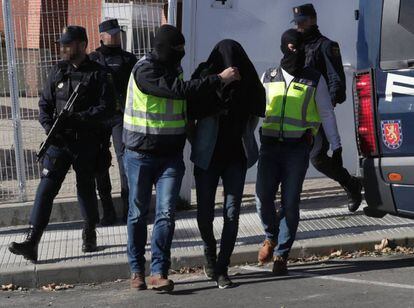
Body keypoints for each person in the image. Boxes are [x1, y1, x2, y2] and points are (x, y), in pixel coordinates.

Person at [123, 25, 240, 292]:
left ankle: (158, 272)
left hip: (170, 157)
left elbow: (183, 107)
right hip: (140, 155)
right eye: (177, 50)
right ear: (162, 48)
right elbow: (178, 91)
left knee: (166, 214)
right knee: (138, 213)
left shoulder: (174, 68)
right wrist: (218, 79)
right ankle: (136, 271)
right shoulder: (145, 70)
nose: (181, 55)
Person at [8, 26, 114, 262]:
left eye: (68, 43)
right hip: (59, 142)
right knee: (46, 189)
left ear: (82, 45)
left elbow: (106, 108)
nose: (63, 48)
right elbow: (45, 104)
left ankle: (89, 233)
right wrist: (50, 128)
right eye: (62, 44)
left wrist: (78, 118)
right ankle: (32, 241)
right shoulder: (58, 70)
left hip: (86, 142)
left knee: (85, 187)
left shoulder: (98, 74)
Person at [256, 29, 342, 275]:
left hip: (296, 149)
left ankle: (282, 254)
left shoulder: (314, 79)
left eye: (300, 47)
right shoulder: (269, 76)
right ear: (284, 47)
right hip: (270, 147)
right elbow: (257, 110)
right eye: (292, 47)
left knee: (290, 202)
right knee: (262, 197)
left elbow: (326, 113)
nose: (296, 51)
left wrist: (336, 145)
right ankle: (271, 237)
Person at [189, 39, 266, 289]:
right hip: (207, 157)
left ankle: (222, 267)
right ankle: (209, 252)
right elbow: (190, 109)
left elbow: (255, 113)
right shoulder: (205, 77)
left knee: (232, 214)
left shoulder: (249, 82)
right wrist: (221, 80)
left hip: (236, 157)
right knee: (204, 213)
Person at [292, 3, 362, 212]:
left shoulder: (326, 45)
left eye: (302, 22)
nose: (299, 26)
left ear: (313, 20)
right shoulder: (295, 46)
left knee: (318, 158)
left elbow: (335, 78)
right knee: (293, 157)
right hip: (296, 111)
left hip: (316, 112)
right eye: (297, 23)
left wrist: (328, 103)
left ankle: (351, 184)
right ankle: (289, 203)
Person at [90, 19, 137, 225]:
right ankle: (107, 211)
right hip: (99, 118)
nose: (116, 36)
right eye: (111, 33)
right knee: (100, 163)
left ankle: (129, 210)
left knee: (124, 162)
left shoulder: (128, 59)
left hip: (121, 117)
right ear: (101, 36)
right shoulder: (93, 59)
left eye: (118, 32)